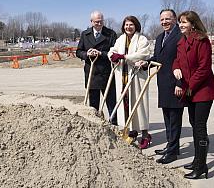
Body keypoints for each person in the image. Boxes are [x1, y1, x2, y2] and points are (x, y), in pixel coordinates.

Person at [173, 10, 214, 179]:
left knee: (199, 127)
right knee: (194, 124)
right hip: (191, 91)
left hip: (203, 91)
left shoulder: (202, 40)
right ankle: (197, 160)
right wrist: (175, 68)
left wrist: (189, 86)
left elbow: (204, 68)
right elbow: (178, 60)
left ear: (193, 23)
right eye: (180, 22)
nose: (181, 25)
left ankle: (201, 167)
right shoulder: (182, 41)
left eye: (184, 22)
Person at [137, 9, 184, 163]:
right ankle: (172, 146)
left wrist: (180, 83)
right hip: (163, 83)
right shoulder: (159, 37)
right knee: (167, 118)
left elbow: (184, 62)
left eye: (168, 19)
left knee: (175, 118)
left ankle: (172, 152)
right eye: (162, 19)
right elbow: (157, 57)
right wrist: (146, 63)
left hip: (176, 83)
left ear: (175, 19)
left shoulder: (181, 36)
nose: (164, 22)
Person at [108, 16, 152, 149]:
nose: (128, 27)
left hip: (137, 76)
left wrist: (124, 57)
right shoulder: (120, 39)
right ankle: (132, 132)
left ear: (136, 26)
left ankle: (145, 134)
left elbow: (142, 54)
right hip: (123, 76)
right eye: (126, 25)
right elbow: (112, 51)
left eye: (131, 25)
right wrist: (113, 56)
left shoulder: (142, 39)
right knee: (126, 105)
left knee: (139, 104)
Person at [76, 10, 118, 125]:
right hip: (91, 74)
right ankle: (95, 124)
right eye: (96, 22)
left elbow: (114, 53)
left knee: (111, 102)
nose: (99, 24)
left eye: (101, 21)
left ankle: (114, 124)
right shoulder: (85, 34)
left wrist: (100, 53)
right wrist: (86, 54)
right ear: (91, 22)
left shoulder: (111, 34)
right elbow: (78, 52)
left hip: (107, 74)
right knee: (93, 104)